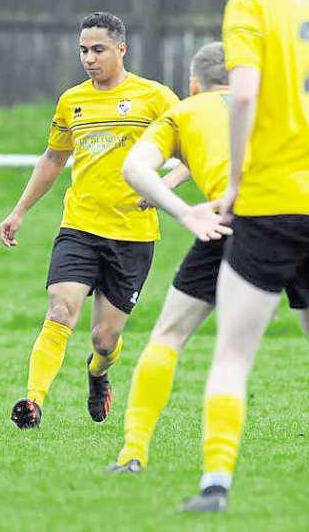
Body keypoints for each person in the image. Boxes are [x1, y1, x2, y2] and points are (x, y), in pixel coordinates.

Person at [112, 42, 309, 474]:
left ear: (194, 84)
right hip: (300, 210)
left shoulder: (184, 112)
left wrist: (184, 212)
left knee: (170, 335)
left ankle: (133, 452)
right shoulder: (279, 102)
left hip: (238, 217)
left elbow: (135, 169)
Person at [179, 0, 309, 513]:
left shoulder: (251, 6)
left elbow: (246, 95)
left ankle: (216, 485)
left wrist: (234, 180)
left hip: (270, 200)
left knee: (233, 352)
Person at [0, 12, 181, 429]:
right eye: (83, 50)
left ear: (122, 49)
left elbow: (195, 147)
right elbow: (52, 159)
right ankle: (33, 401)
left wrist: (162, 187)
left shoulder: (155, 97)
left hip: (133, 235)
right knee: (60, 310)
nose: (89, 58)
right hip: (79, 228)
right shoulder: (72, 101)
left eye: (98, 49)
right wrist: (20, 210)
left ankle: (98, 373)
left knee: (104, 339)